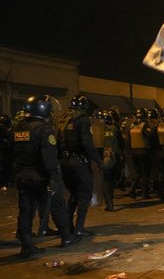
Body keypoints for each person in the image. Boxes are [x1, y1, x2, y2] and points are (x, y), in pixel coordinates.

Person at [12, 95, 80, 258]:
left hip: (22, 176)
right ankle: (66, 237)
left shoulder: (18, 129)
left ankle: (26, 244)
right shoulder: (44, 130)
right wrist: (53, 178)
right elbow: (48, 158)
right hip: (41, 176)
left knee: (26, 210)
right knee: (57, 205)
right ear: (43, 110)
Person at [58, 94, 103, 236]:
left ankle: (68, 227)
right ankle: (79, 228)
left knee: (74, 195)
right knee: (84, 195)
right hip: (79, 164)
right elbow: (87, 144)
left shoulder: (65, 121)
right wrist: (98, 160)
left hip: (66, 163)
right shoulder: (83, 121)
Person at [128, 108, 154, 199]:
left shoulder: (132, 125)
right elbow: (150, 136)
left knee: (137, 173)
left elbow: (128, 139)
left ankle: (132, 190)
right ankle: (144, 193)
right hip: (143, 152)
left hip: (133, 152)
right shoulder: (145, 125)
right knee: (145, 173)